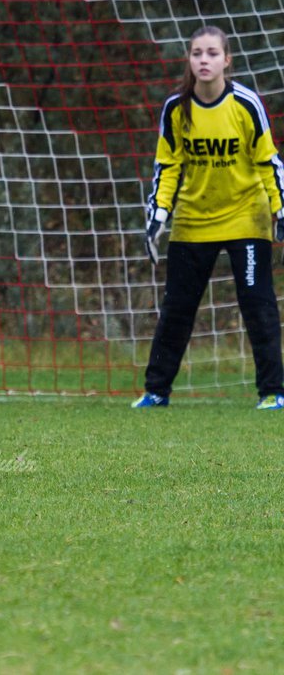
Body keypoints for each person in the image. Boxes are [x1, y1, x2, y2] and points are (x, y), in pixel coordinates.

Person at [136, 25, 284, 409]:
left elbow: (268, 161)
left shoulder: (245, 104)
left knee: (258, 303)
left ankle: (273, 392)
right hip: (193, 220)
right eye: (197, 53)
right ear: (189, 59)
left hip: (245, 216)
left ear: (226, 60)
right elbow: (167, 168)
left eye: (212, 53)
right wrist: (158, 216)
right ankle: (156, 391)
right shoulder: (176, 107)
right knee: (177, 308)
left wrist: (280, 207)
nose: (204, 60)